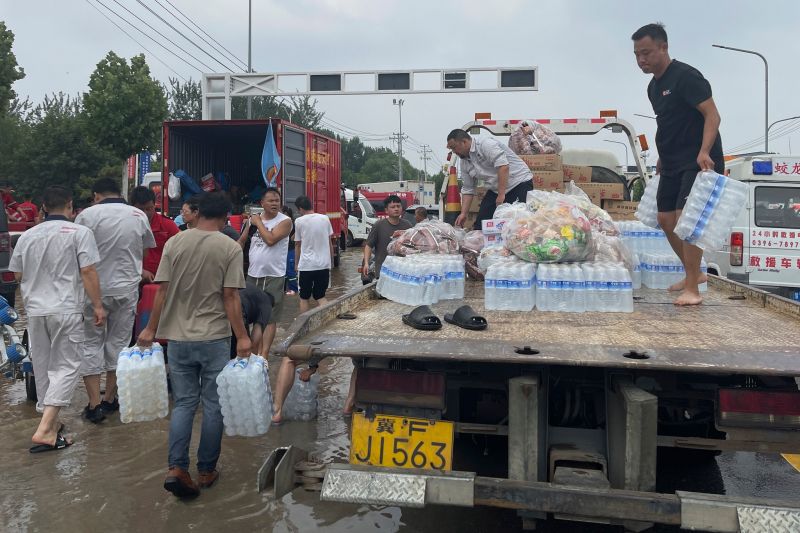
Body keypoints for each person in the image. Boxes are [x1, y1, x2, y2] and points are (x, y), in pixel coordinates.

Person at [137, 191, 250, 499]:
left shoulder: (175, 243)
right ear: (225, 217)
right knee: (213, 404)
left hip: (177, 339)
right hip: (214, 338)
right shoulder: (229, 247)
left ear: (198, 213)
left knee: (185, 403)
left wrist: (150, 329)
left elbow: (161, 291)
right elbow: (230, 296)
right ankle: (206, 470)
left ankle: (176, 467)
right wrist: (242, 336)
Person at [633, 23, 723, 306]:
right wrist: (662, 156)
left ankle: (693, 289)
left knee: (687, 220)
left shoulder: (686, 77)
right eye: (637, 55)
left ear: (663, 47)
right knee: (665, 219)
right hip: (671, 161)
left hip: (698, 159)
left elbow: (713, 115)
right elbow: (669, 123)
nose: (641, 60)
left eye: (646, 53)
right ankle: (693, 274)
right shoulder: (653, 87)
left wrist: (705, 151)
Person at [10, 186, 106, 453]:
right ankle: (45, 430)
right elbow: (88, 271)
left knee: (42, 366)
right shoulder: (80, 233)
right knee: (67, 366)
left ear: (43, 207)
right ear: (70, 205)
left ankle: (51, 423)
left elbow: (17, 275)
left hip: (36, 310)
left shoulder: (28, 236)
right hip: (65, 308)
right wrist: (98, 306)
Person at [75, 178, 156, 423]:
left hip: (93, 291)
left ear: (96, 195)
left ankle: (94, 405)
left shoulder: (86, 216)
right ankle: (110, 399)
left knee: (91, 343)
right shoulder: (138, 215)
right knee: (119, 344)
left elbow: (77, 255)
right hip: (126, 289)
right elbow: (144, 251)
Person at [270, 195, 334, 424]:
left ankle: (304, 325)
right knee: (321, 297)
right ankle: (328, 320)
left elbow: (297, 245)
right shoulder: (324, 219)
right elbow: (330, 242)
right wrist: (329, 261)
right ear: (312, 205)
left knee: (304, 297)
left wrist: (296, 264)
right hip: (323, 264)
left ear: (299, 208)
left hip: (307, 265)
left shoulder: (299, 221)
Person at [237, 188, 292, 356]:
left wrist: (258, 222)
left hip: (273, 275)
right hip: (253, 274)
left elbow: (270, 239)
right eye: (271, 201)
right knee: (252, 315)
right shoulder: (252, 221)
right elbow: (242, 241)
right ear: (262, 203)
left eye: (277, 200)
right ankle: (253, 353)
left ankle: (264, 355)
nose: (275, 203)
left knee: (269, 317)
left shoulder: (285, 221)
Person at [447, 128, 534, 230]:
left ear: (464, 142)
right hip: (496, 189)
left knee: (518, 224)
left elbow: (503, 166)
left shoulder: (485, 144)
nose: (454, 152)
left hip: (519, 182)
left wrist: (501, 195)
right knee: (481, 224)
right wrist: (463, 213)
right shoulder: (464, 162)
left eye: (454, 148)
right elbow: (468, 188)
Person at [131, 186, 180, 284]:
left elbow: (180, 251)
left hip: (161, 280)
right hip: (132, 279)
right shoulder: (126, 226)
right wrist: (140, 271)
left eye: (149, 208)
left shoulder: (167, 225)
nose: (145, 213)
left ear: (154, 205)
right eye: (140, 209)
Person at [362, 195, 412, 280]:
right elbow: (369, 246)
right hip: (383, 271)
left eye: (398, 206)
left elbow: (413, 246)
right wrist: (366, 263)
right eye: (393, 207)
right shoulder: (379, 225)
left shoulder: (407, 225)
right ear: (386, 210)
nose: (396, 209)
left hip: (402, 271)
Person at [234, 282, 273, 358]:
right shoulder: (266, 304)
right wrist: (252, 360)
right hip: (240, 308)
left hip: (228, 303)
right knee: (243, 347)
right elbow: (255, 339)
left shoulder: (255, 292)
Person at [282, 205, 298, 294]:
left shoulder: (293, 224)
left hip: (290, 250)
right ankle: (284, 290)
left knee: (291, 272)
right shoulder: (279, 224)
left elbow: (295, 238)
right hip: (282, 251)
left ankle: (294, 290)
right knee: (283, 272)